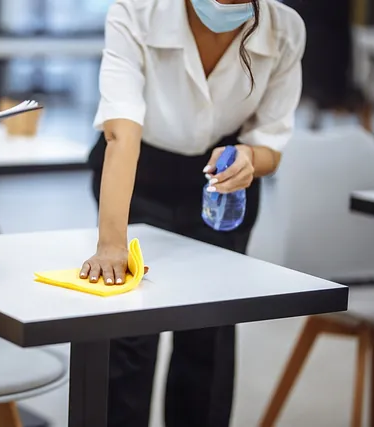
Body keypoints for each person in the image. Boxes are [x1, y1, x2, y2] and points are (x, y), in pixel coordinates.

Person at [80, 0, 305, 426]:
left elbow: (271, 143)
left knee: (210, 332)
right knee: (128, 333)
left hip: (221, 181)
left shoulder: (285, 29)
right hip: (137, 171)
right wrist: (111, 245)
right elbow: (121, 133)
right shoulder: (136, 10)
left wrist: (248, 159)